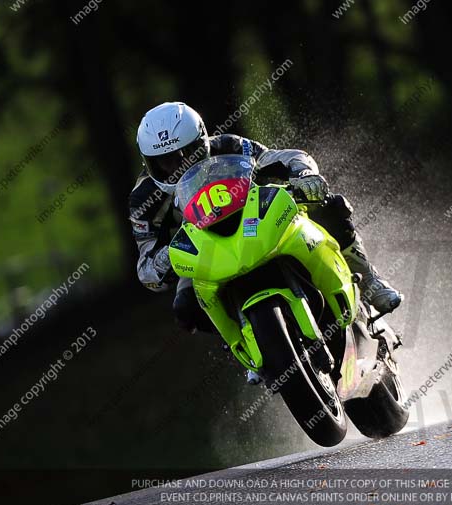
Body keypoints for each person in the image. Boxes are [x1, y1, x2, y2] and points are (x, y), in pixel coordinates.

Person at [129, 101, 402, 339]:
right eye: (166, 163)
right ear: (149, 163)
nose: (179, 167)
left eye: (187, 156)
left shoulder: (228, 145)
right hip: (203, 254)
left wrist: (303, 174)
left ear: (203, 142)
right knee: (184, 307)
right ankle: (246, 342)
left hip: (255, 218)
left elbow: (281, 157)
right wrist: (162, 261)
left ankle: (368, 279)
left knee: (330, 204)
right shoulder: (143, 199)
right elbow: (145, 266)